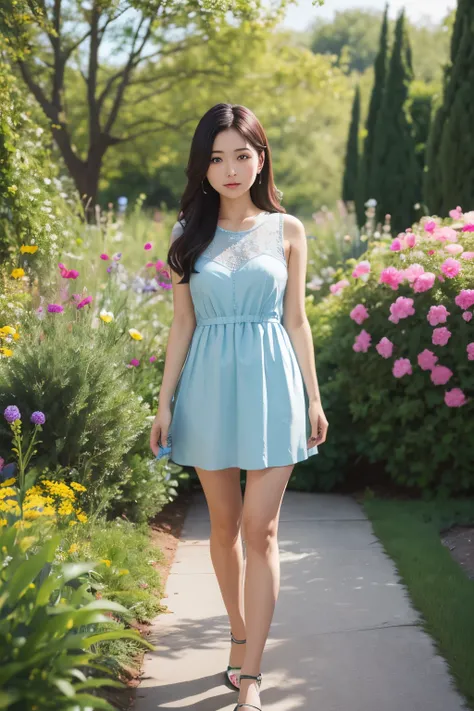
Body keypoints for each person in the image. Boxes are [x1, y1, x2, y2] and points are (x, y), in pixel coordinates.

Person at [150, 103, 328, 711]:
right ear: (202, 168)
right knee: (222, 530)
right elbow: (182, 323)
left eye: (242, 155)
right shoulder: (186, 236)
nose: (230, 169)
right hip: (207, 388)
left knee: (262, 528)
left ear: (260, 158)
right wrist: (164, 403)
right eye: (217, 158)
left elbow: (297, 319)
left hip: (274, 388)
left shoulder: (288, 230)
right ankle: (239, 633)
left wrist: (313, 396)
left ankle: (250, 676)